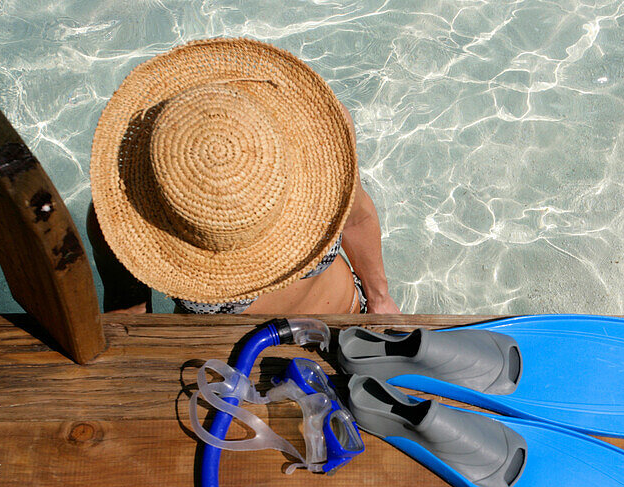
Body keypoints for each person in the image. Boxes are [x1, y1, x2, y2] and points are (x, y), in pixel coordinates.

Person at [89, 37, 400, 316]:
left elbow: (355, 219)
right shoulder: (116, 216)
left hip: (345, 316)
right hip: (219, 358)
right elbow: (130, 314)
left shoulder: (323, 139)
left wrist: (380, 300)